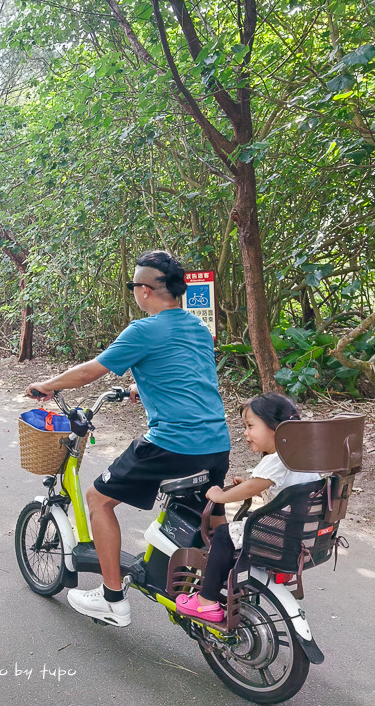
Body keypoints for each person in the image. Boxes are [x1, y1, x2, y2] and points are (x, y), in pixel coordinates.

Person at [26, 250, 230, 627]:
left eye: (134, 285)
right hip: (216, 444)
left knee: (97, 499)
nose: (133, 290)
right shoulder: (196, 328)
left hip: (173, 443)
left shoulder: (144, 329)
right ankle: (205, 589)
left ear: (148, 290)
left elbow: (90, 372)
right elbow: (186, 375)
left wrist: (46, 385)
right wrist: (141, 385)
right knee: (202, 518)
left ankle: (112, 599)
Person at [175, 393, 320, 623]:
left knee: (224, 534)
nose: (245, 433)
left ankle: (206, 601)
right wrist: (251, 486)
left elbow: (252, 487)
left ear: (276, 428)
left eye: (250, 426)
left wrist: (221, 496)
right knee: (239, 528)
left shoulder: (278, 458)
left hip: (279, 536)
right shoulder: (302, 455)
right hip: (303, 533)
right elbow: (276, 488)